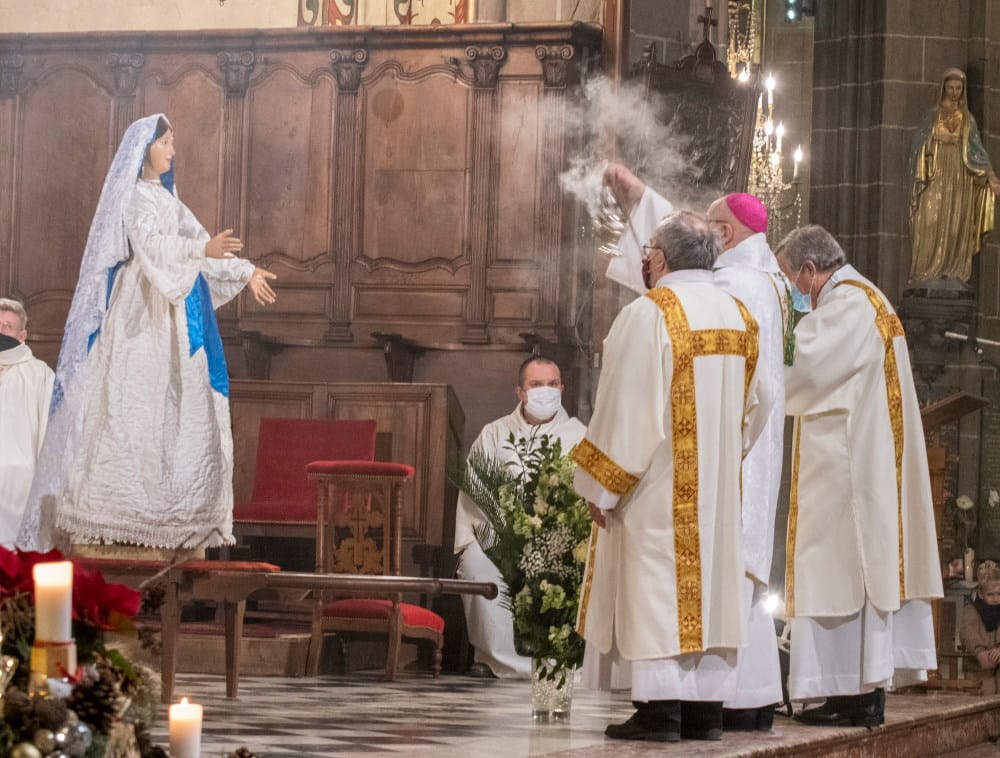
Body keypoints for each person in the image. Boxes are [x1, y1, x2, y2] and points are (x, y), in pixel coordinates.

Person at [17, 114, 277, 552]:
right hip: (141, 314)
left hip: (177, 318)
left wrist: (243, 269)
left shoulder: (170, 199)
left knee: (175, 411)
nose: (172, 151)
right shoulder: (136, 197)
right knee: (129, 405)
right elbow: (156, 249)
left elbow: (203, 247)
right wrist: (200, 249)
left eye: (172, 143)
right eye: (166, 143)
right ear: (144, 151)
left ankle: (170, 513)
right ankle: (116, 512)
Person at [601, 163, 789, 731]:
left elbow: (627, 410)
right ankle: (707, 708)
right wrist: (724, 453)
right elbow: (759, 404)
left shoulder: (654, 312)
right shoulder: (741, 305)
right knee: (712, 585)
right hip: (718, 480)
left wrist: (603, 484)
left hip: (661, 480)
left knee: (662, 582)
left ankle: (661, 707)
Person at [776, 225, 943, 727]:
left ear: (810, 270)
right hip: (860, 460)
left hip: (851, 471)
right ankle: (849, 691)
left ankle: (858, 695)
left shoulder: (848, 306)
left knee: (847, 571)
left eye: (789, 280)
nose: (791, 292)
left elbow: (798, 368)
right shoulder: (867, 298)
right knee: (848, 572)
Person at [454, 356, 586, 678]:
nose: (546, 391)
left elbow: (586, 500)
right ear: (521, 392)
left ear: (562, 389)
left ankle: (559, 663)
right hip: (500, 538)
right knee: (476, 564)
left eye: (552, 385)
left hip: (560, 542)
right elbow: (476, 496)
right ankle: (497, 660)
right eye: (536, 385)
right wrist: (510, 534)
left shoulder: (581, 436)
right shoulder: (494, 434)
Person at [909, 67, 1000, 283]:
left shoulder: (967, 119)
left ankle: (952, 268)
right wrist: (932, 143)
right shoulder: (933, 115)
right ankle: (926, 270)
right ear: (943, 88)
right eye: (950, 87)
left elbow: (977, 150)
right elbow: (917, 145)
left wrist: (990, 175)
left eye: (958, 88)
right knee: (930, 218)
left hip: (959, 175)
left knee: (956, 219)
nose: (954, 92)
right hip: (936, 170)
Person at [0, 299, 55, 548]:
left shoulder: (40, 375)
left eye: (7, 326)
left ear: (22, 335)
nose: (1, 332)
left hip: (19, 479)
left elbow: (50, 430)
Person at [960, 561, 1000, 695]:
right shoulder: (972, 609)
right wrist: (979, 651)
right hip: (979, 671)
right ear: (981, 594)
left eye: (999, 594)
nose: (996, 598)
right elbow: (968, 631)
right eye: (991, 594)